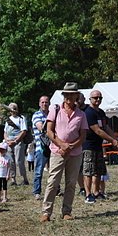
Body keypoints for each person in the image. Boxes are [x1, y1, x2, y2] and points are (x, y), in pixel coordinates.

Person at [41, 82, 87, 221]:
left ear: (76, 96)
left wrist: (70, 147)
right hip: (57, 151)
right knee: (53, 182)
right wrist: (62, 145)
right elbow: (49, 131)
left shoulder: (81, 114)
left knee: (71, 183)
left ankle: (66, 211)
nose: (68, 97)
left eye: (72, 94)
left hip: (74, 153)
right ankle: (46, 212)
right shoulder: (55, 109)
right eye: (66, 94)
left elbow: (83, 136)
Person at [83, 89, 118, 203]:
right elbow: (97, 130)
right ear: (90, 99)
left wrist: (115, 138)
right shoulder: (88, 112)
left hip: (98, 145)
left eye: (100, 98)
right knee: (88, 171)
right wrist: (112, 141)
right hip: (88, 145)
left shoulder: (101, 112)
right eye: (95, 98)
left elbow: (106, 127)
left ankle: (96, 192)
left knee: (99, 170)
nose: (98, 100)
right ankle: (88, 194)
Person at [4, 102, 29, 185]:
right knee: (11, 161)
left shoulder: (21, 118)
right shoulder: (8, 120)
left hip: (18, 142)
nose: (13, 111)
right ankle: (13, 179)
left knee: (19, 161)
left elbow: (24, 131)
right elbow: (5, 132)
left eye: (14, 109)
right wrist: (7, 141)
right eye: (11, 109)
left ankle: (24, 179)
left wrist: (15, 141)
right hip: (9, 142)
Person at [31, 96, 51, 200]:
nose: (44, 104)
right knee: (39, 171)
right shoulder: (36, 115)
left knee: (54, 171)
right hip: (41, 148)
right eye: (42, 102)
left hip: (53, 147)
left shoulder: (52, 114)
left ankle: (56, 190)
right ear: (39, 104)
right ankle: (37, 191)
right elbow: (41, 128)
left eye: (46, 102)